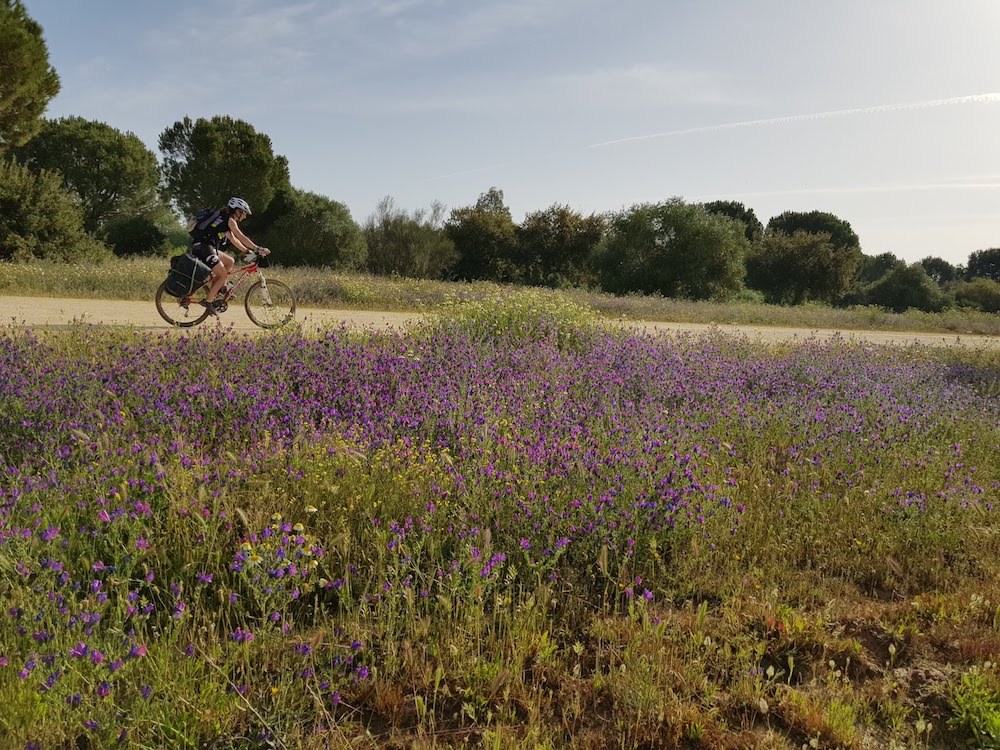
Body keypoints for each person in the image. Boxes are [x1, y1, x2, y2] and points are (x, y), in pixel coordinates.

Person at [190, 197, 269, 314]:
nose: (245, 216)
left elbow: (234, 240)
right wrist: (257, 248)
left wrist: (248, 251)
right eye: (244, 213)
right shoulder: (230, 221)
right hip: (204, 247)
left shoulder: (223, 220)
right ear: (238, 211)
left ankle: (220, 288)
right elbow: (241, 236)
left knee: (230, 261)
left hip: (207, 247)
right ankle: (209, 302)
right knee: (222, 275)